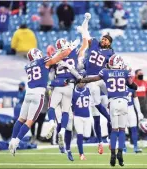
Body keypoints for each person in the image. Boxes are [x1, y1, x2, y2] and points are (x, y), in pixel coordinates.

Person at [8, 39, 80, 156]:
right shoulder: (43, 61)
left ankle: (12, 139)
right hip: (38, 94)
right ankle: (16, 142)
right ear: (38, 54)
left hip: (28, 93)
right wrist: (71, 48)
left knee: (21, 119)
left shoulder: (28, 66)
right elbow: (60, 56)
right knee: (30, 121)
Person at [79, 54, 137, 167]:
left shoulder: (105, 72)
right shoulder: (125, 72)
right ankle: (120, 153)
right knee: (121, 130)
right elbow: (133, 86)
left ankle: (112, 155)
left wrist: (81, 79)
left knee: (114, 130)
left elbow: (92, 79)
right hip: (124, 103)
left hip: (113, 103)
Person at [45, 14, 90, 159]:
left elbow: (49, 70)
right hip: (70, 86)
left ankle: (52, 123)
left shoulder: (55, 58)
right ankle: (62, 132)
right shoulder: (74, 54)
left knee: (52, 109)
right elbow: (85, 45)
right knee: (66, 114)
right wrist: (83, 32)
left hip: (57, 85)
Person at [77, 12, 114, 154]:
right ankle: (100, 142)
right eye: (103, 38)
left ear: (109, 43)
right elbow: (85, 31)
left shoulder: (111, 52)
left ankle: (112, 138)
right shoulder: (93, 44)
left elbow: (112, 66)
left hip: (102, 78)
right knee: (96, 115)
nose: (103, 40)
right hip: (91, 79)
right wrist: (86, 19)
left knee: (113, 96)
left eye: (106, 39)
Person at [72, 81, 91, 160]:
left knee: (87, 136)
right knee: (80, 135)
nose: (81, 83)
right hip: (77, 116)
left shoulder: (88, 90)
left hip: (87, 116)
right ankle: (81, 154)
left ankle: (78, 141)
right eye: (80, 82)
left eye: (83, 82)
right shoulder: (73, 91)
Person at [133, 69, 147, 147]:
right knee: (135, 122)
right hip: (136, 105)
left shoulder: (145, 82)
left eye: (142, 74)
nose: (141, 75)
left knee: (146, 122)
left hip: (144, 105)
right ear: (136, 74)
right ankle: (134, 140)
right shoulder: (133, 82)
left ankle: (144, 139)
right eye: (140, 74)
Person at [124, 87, 144, 153]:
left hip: (131, 108)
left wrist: (139, 111)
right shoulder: (117, 86)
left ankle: (135, 147)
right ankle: (123, 148)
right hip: (122, 108)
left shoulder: (131, 87)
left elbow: (136, 99)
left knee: (134, 127)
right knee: (122, 129)